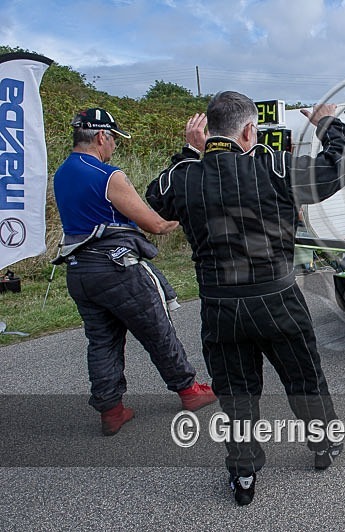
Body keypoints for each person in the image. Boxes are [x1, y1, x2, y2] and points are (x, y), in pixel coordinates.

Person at [146, 92, 345, 506]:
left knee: (236, 393)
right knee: (304, 378)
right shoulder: (275, 166)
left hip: (220, 306)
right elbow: (339, 165)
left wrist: (190, 152)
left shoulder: (185, 175)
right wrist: (326, 122)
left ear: (208, 131)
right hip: (277, 298)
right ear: (249, 131)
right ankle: (325, 444)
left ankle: (243, 473)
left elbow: (155, 200)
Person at [52, 108, 216, 437]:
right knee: (157, 329)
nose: (114, 146)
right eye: (114, 139)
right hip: (117, 268)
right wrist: (185, 213)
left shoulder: (62, 172)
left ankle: (111, 409)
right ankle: (189, 390)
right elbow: (155, 224)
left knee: (102, 341)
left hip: (79, 269)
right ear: (101, 136)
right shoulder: (108, 175)